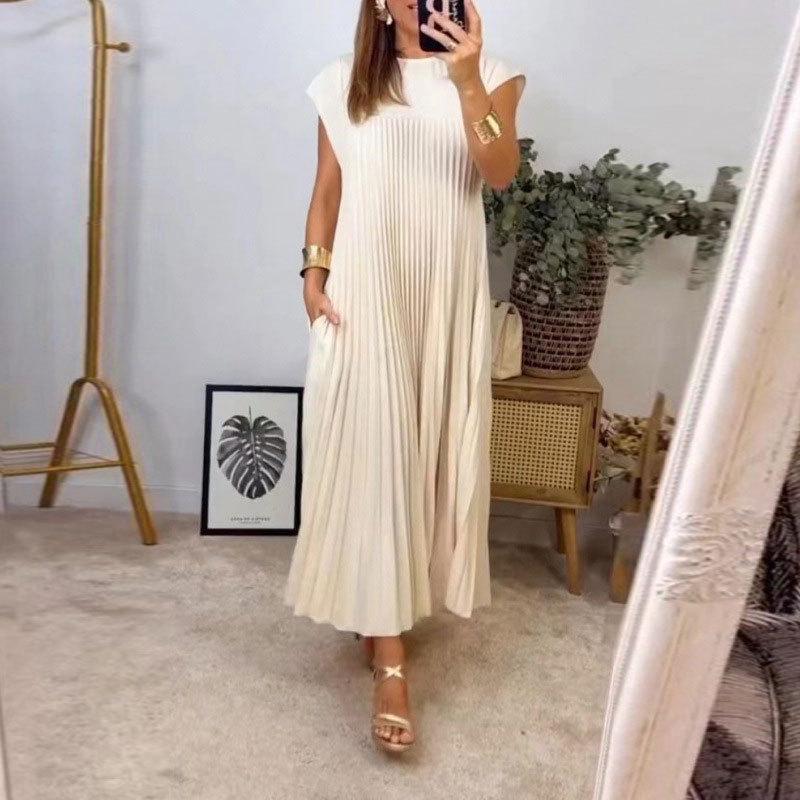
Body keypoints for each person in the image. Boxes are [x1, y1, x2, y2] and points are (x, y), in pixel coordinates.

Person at [283, 0, 526, 754]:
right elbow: (328, 189)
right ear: (381, 6)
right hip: (367, 288)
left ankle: (382, 600)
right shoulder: (342, 81)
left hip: (443, 293)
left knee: (423, 453)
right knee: (374, 453)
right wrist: (313, 273)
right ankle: (391, 662)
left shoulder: (493, 73)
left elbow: (500, 173)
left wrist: (466, 81)